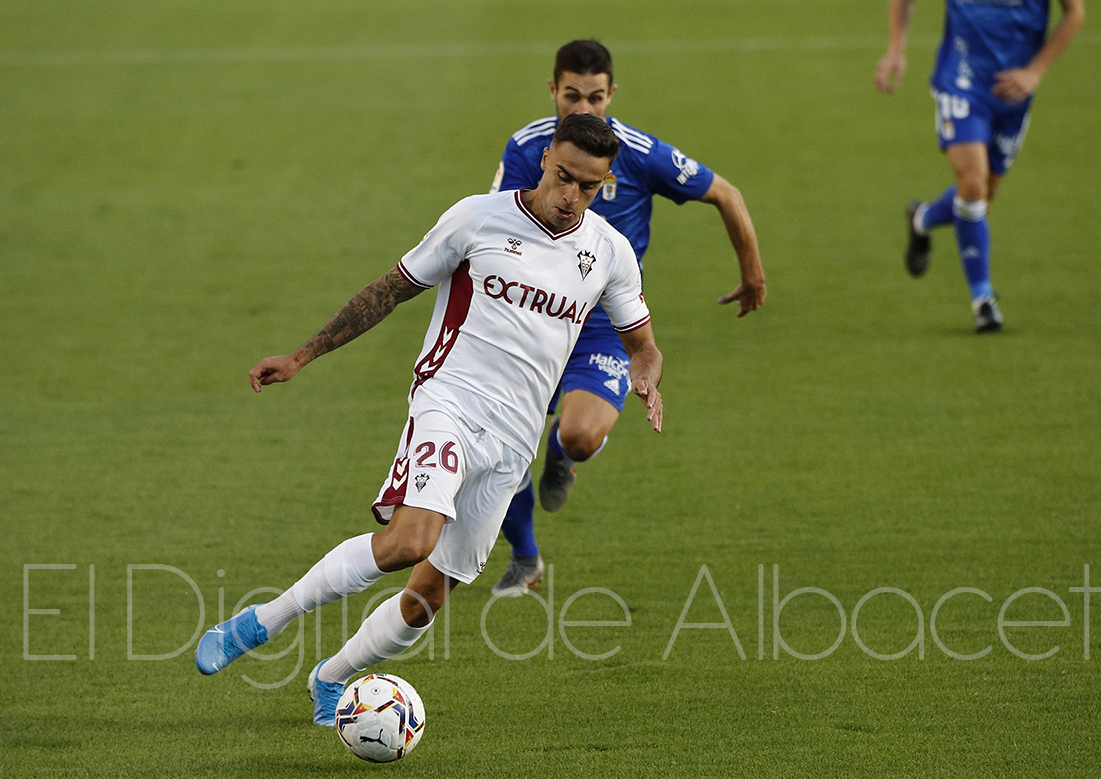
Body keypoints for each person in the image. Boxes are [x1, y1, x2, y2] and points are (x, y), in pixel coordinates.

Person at [194, 113, 664, 726]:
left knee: (428, 596)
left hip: (515, 439)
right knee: (408, 542)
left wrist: (646, 373)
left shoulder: (609, 251)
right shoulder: (477, 218)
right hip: (450, 402)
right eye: (564, 177)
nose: (571, 195)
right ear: (546, 158)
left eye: (589, 186)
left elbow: (642, 343)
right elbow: (390, 289)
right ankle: (258, 623)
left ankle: (330, 678)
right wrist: (303, 355)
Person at [489, 39, 767, 594]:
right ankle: (525, 556)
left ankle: (562, 454)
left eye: (595, 97)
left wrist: (753, 275)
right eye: (572, 96)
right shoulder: (527, 147)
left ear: (611, 94)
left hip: (601, 326)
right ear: (553, 91)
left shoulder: (638, 153)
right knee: (499, 453)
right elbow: (493, 226)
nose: (584, 109)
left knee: (581, 436)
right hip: (531, 319)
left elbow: (728, 194)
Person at [874, 0, 1084, 332]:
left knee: (982, 197)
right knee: (973, 185)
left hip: (1013, 93)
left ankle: (922, 219)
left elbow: (1074, 13)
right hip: (961, 84)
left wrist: (1035, 72)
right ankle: (983, 301)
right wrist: (896, 48)